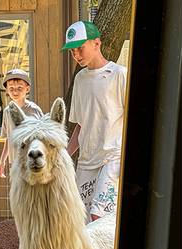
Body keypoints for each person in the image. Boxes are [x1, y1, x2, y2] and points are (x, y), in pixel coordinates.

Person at [62, 20, 127, 222]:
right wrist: (63, 155)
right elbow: (81, 124)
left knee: (99, 215)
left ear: (96, 43)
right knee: (81, 220)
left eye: (80, 48)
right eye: (72, 51)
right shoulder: (80, 79)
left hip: (112, 157)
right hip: (86, 162)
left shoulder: (120, 74)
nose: (76, 55)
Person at [0, 69, 44, 178]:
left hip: (32, 161)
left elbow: (42, 137)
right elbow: (9, 138)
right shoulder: (7, 111)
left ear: (27, 89)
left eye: (19, 88)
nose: (15, 92)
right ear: (7, 90)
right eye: (11, 89)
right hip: (14, 162)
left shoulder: (34, 110)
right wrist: (2, 161)